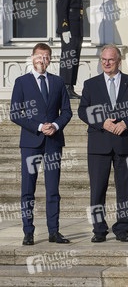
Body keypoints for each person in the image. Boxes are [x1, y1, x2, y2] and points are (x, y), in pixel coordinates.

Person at [78, 44, 128, 243]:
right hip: (99, 144)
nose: (106, 63)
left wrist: (126, 123)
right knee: (97, 189)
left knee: (125, 189)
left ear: (119, 62)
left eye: (110, 60)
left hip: (125, 143)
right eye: (103, 60)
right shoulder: (91, 84)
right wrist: (102, 123)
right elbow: (83, 111)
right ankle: (99, 230)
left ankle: (123, 228)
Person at [10, 43, 73, 245]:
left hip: (53, 141)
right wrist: (38, 126)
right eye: (39, 57)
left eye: (46, 57)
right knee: (28, 189)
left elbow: (67, 112)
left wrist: (55, 125)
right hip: (30, 142)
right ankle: (28, 231)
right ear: (32, 57)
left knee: (53, 189)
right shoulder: (22, 82)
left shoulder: (58, 82)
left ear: (50, 59)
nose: (42, 60)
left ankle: (53, 231)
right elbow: (14, 113)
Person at [57, 0, 83, 99]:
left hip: (76, 27)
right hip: (70, 28)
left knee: (74, 58)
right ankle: (66, 87)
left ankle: (70, 87)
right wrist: (64, 28)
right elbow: (61, 7)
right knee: (68, 58)